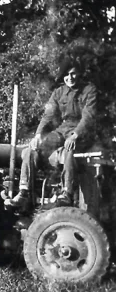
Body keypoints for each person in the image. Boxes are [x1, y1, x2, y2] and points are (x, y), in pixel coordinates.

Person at [8, 60, 98, 209]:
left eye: (73, 73)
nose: (70, 77)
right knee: (33, 150)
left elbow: (88, 116)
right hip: (63, 130)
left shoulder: (89, 90)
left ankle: (66, 193)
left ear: (79, 73)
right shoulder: (58, 92)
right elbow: (48, 115)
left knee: (70, 148)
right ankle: (24, 192)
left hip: (82, 132)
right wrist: (38, 135)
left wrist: (76, 134)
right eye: (67, 74)